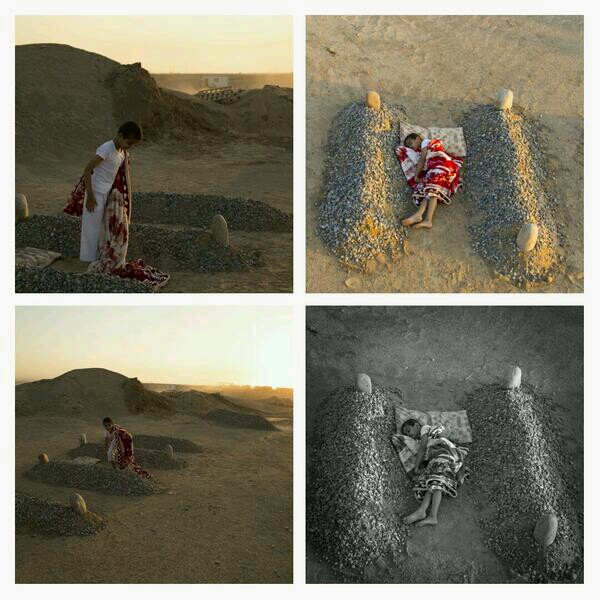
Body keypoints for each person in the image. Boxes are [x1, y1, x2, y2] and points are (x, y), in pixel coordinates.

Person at [77, 122, 142, 262]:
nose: (129, 147)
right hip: (94, 192)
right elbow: (88, 170)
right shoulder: (106, 148)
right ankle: (87, 259)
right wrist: (90, 196)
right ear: (120, 135)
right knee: (91, 227)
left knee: (104, 227)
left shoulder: (122, 153)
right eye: (128, 142)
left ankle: (100, 257)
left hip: (107, 193)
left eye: (132, 145)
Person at [400, 418, 468, 527]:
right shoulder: (421, 437)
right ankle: (422, 511)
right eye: (406, 434)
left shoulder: (425, 429)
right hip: (443, 456)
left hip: (446, 453)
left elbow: (422, 448)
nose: (409, 434)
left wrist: (417, 466)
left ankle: (433, 516)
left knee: (437, 481)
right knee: (433, 481)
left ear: (417, 425)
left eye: (409, 430)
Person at [399, 133, 463, 230]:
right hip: (436, 168)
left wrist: (416, 175)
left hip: (443, 164)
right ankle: (420, 215)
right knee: (429, 189)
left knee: (433, 189)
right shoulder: (420, 150)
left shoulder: (426, 142)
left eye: (410, 143)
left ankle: (427, 220)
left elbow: (422, 159)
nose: (411, 147)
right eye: (408, 146)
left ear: (417, 139)